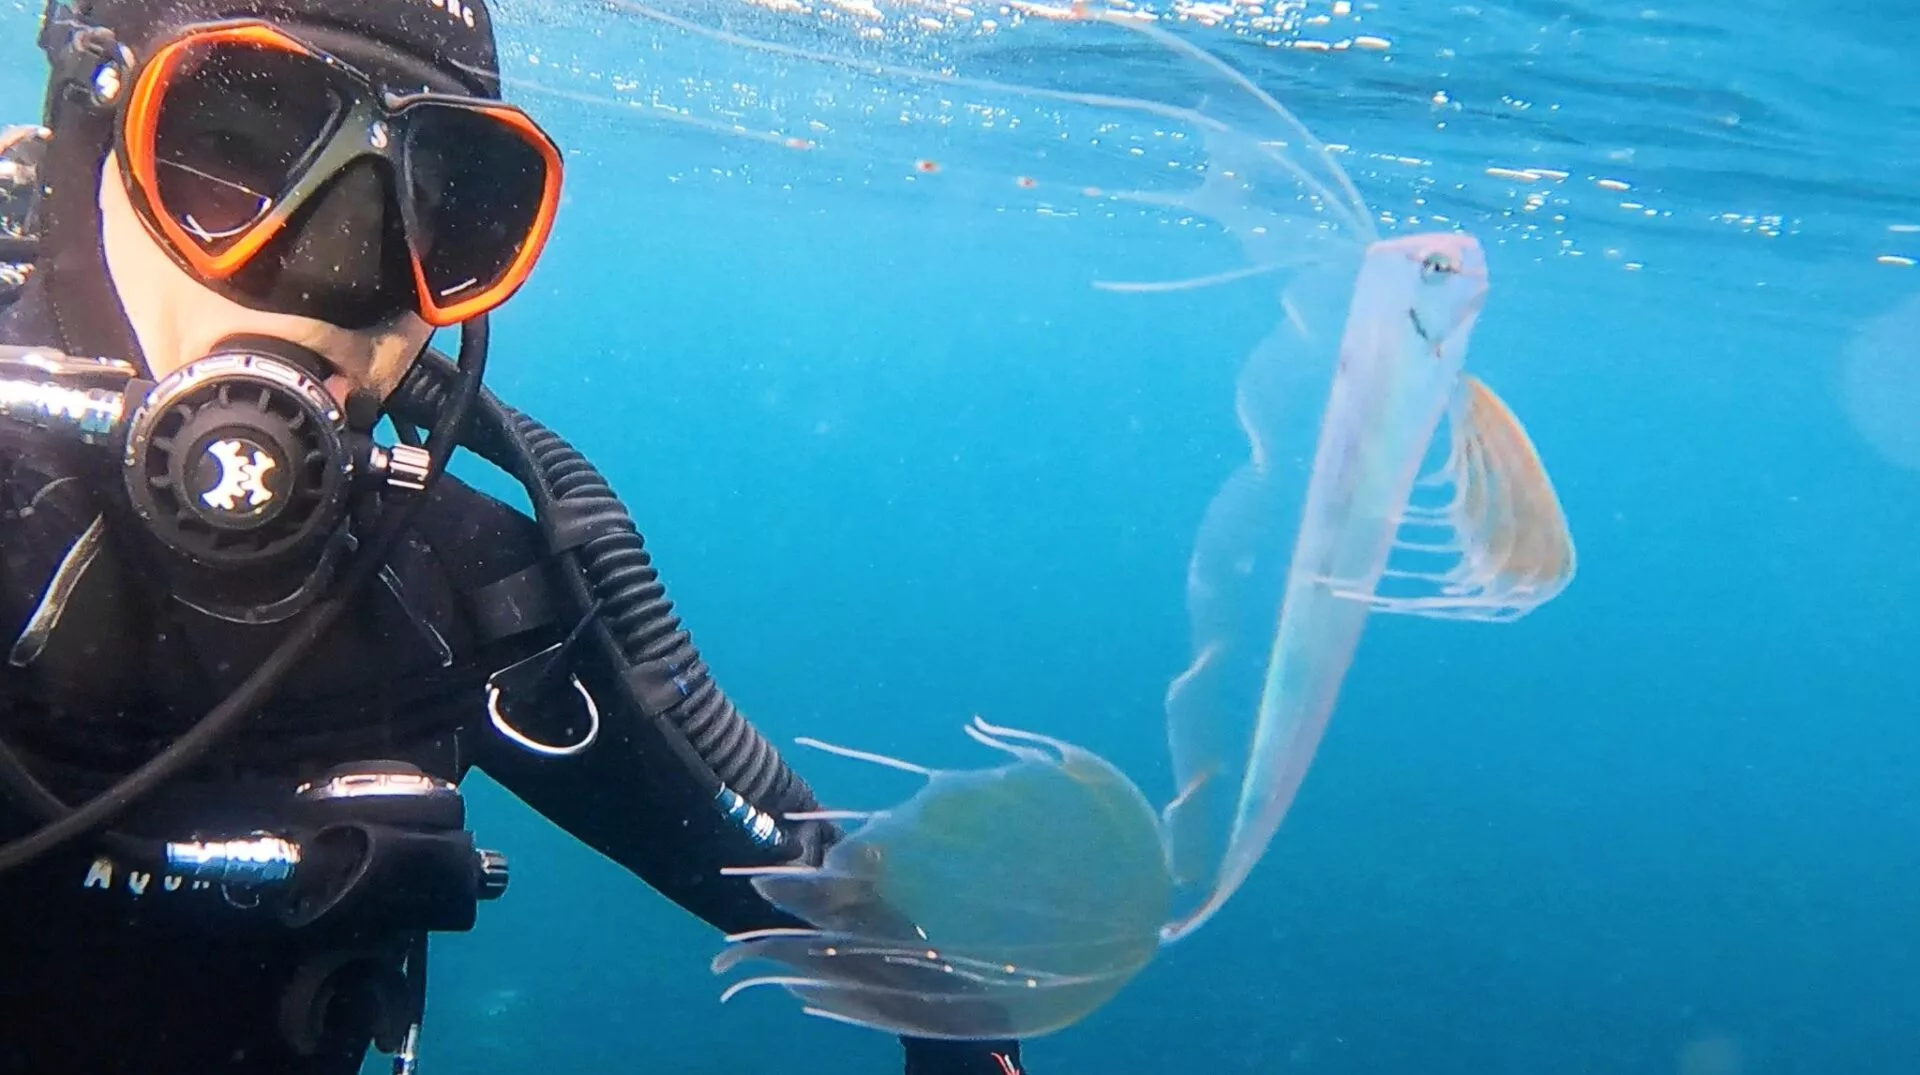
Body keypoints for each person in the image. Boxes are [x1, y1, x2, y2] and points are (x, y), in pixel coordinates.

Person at [0, 1, 1029, 1072]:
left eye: (441, 206)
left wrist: (948, 1017)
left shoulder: (456, 588)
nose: (346, 271)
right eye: (231, 149)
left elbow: (778, 864)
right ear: (89, 127)